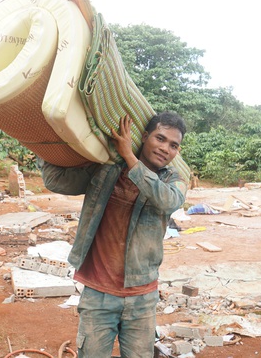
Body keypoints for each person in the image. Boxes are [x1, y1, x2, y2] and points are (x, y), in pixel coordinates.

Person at [37, 111, 187, 358]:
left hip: (142, 298)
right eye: (159, 139)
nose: (165, 149)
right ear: (145, 136)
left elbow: (167, 201)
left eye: (173, 145)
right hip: (98, 294)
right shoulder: (107, 169)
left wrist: (129, 155)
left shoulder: (174, 180)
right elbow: (57, 182)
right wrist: (43, 140)